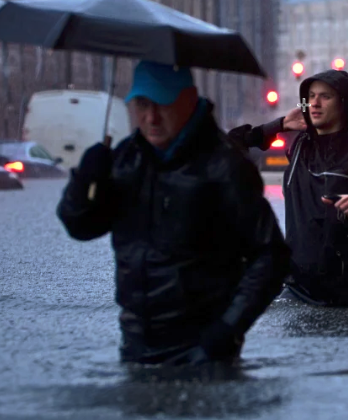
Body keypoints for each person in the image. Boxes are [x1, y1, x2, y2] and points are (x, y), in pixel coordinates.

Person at [56, 60, 291, 366]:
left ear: (189, 100)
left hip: (204, 348)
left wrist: (227, 329)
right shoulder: (126, 159)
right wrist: (84, 181)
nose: (151, 117)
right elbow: (81, 227)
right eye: (142, 104)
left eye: (162, 104)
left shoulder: (224, 165)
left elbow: (271, 255)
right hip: (136, 343)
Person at [230, 69, 348, 310]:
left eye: (325, 96)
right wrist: (279, 124)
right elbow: (229, 145)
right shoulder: (299, 146)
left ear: (343, 103)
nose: (315, 103)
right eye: (311, 96)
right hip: (296, 288)